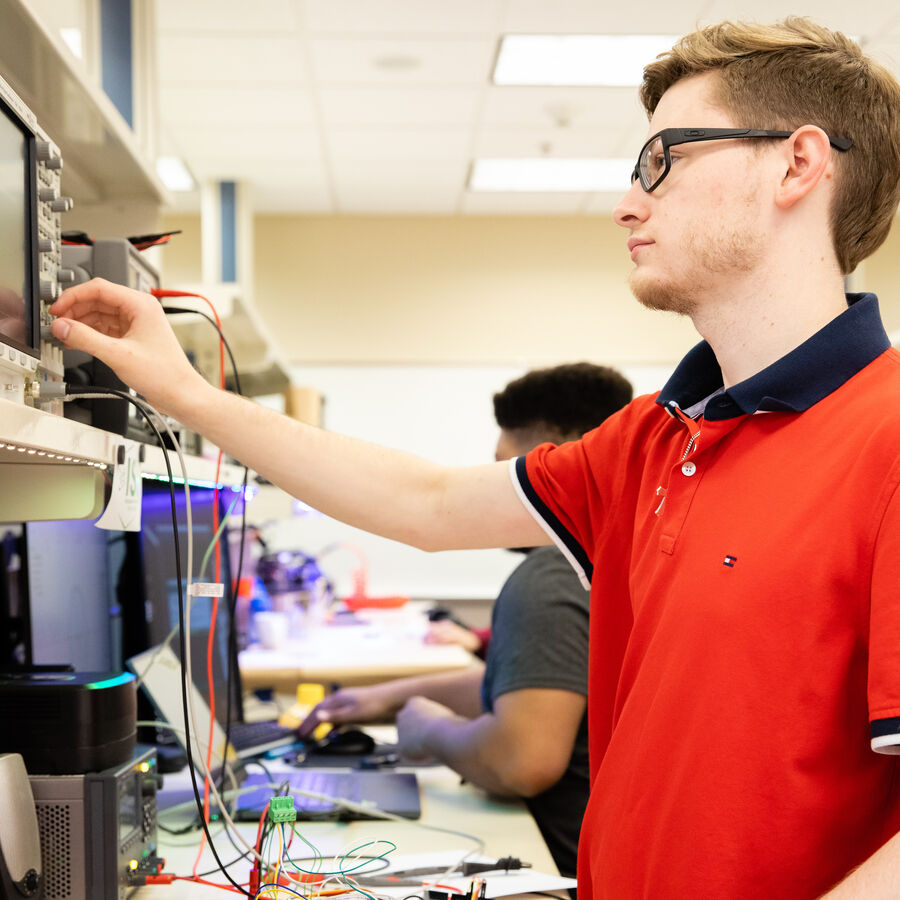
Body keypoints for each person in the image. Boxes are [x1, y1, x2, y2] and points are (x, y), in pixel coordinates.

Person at [47, 15, 900, 898]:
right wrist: (184, 391)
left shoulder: (887, 439)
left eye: (664, 160)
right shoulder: (656, 437)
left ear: (798, 163)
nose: (628, 203)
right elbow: (429, 502)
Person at [298, 363, 633, 881]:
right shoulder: (619, 553)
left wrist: (430, 729)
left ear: (558, 457)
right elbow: (545, 687)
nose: (494, 483)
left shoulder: (550, 573)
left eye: (505, 466)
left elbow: (522, 761)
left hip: (561, 870)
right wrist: (384, 699)